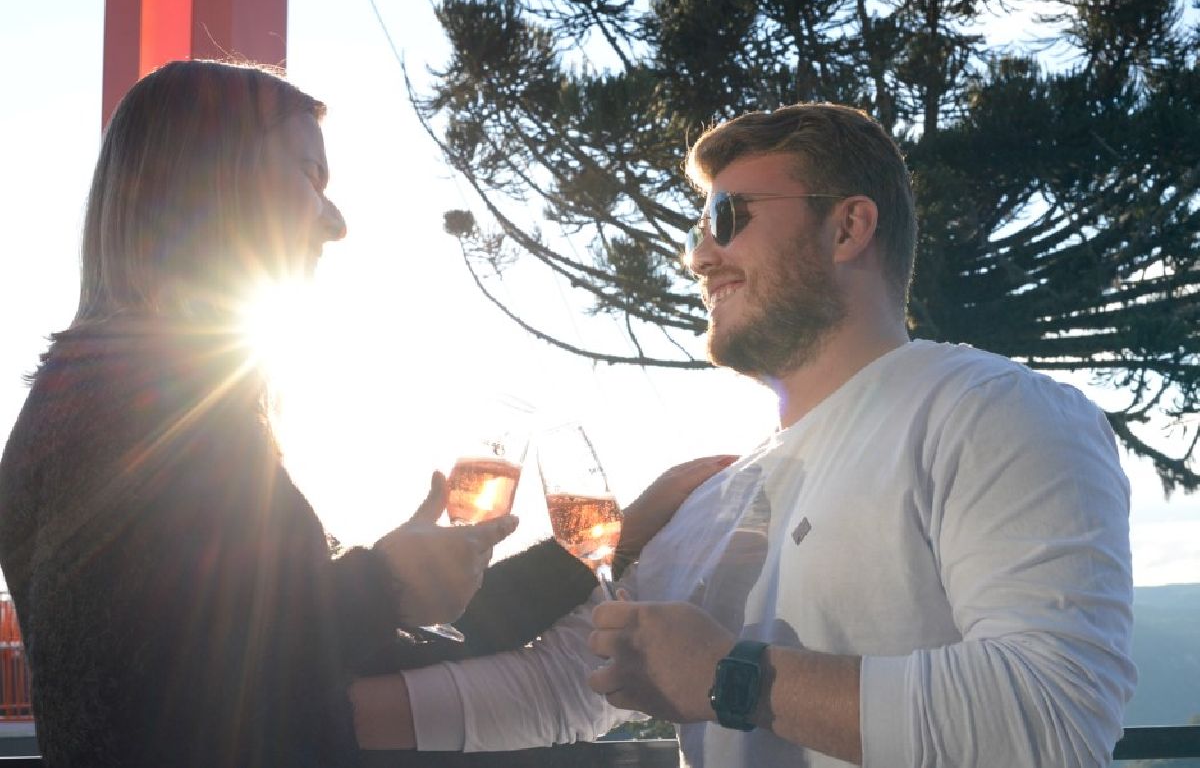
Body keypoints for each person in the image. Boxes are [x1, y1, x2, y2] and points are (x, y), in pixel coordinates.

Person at [361, 103, 1137, 767]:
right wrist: (294, 712)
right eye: (697, 228)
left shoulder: (994, 410)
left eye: (727, 219)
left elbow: (1054, 718)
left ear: (847, 227)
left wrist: (733, 676)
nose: (700, 256)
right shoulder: (713, 497)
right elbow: (567, 680)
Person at [0, 59, 722, 768]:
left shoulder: (109, 400)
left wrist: (612, 533)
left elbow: (327, 644)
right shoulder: (136, 411)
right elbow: (183, 692)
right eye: (309, 177)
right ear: (207, 178)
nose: (336, 222)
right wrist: (384, 584)